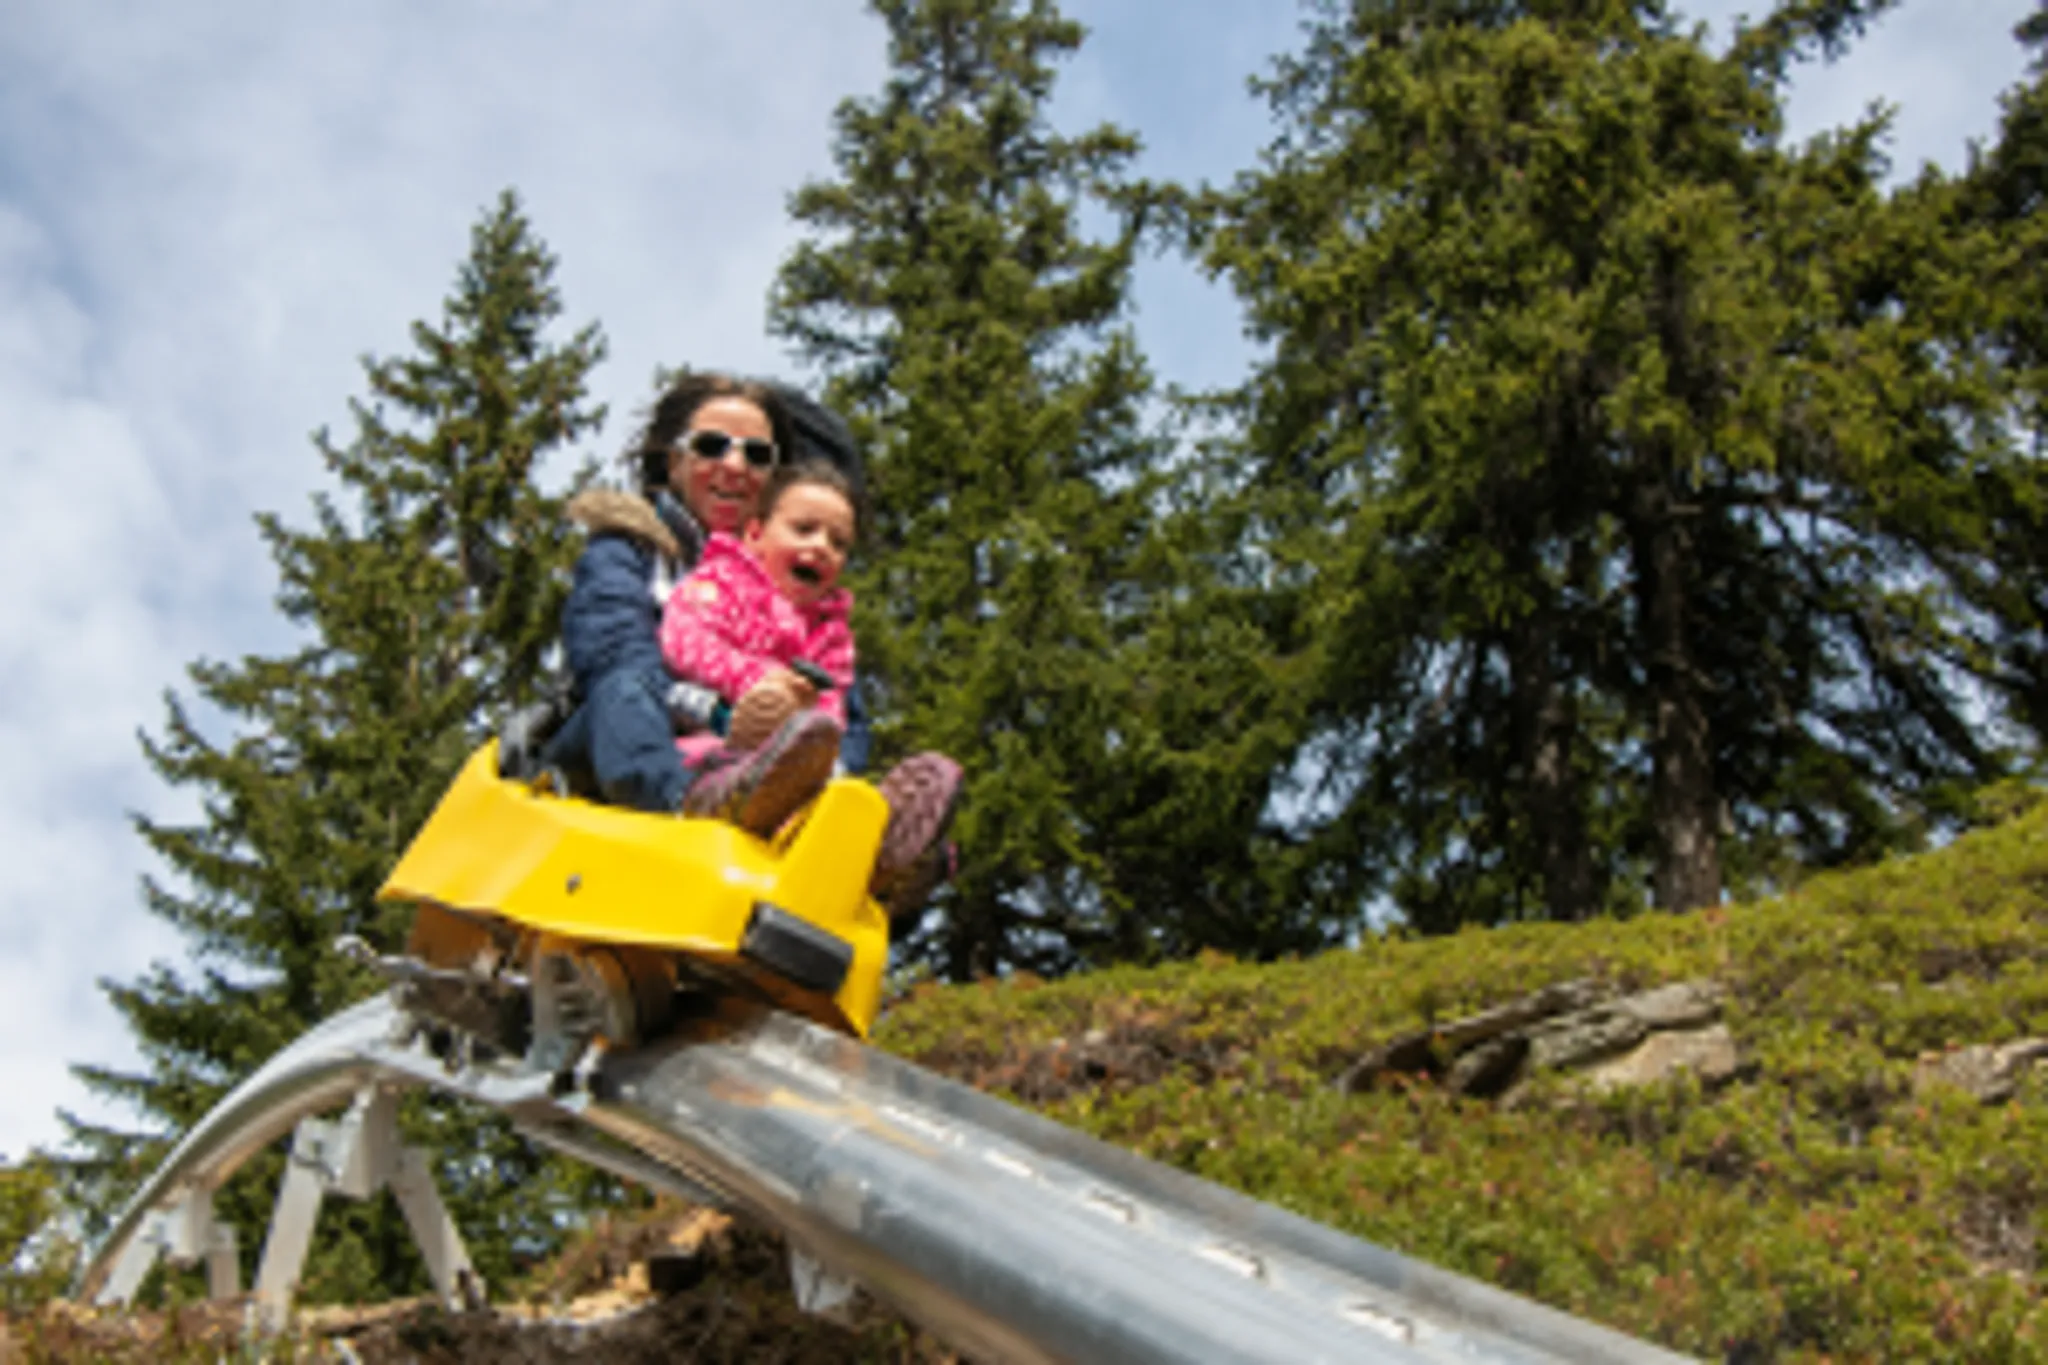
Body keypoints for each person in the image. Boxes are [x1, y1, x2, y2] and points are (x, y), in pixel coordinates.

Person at [535, 372, 865, 828]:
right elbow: (614, 652)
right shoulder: (631, 550)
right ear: (675, 463)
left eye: (756, 455)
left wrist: (827, 756)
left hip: (753, 758)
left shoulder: (795, 589)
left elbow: (841, 702)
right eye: (711, 446)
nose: (734, 465)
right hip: (622, 741)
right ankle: (682, 805)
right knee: (625, 688)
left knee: (829, 734)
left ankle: (852, 841)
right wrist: (729, 711)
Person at [660, 461, 963, 923]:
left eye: (838, 543)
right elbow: (684, 642)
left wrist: (821, 737)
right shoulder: (720, 584)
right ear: (756, 534)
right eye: (803, 530)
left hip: (797, 754)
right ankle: (735, 797)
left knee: (819, 757)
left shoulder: (832, 634)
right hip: (710, 734)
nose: (820, 547)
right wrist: (759, 682)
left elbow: (833, 704)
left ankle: (873, 850)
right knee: (739, 750)